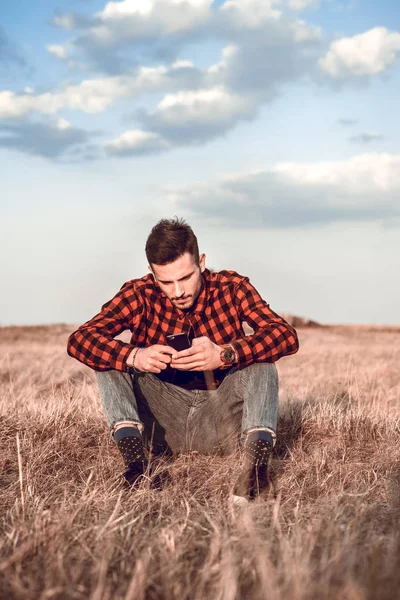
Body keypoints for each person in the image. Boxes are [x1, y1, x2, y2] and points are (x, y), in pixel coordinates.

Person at [67, 218, 299, 503]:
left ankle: (256, 472)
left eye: (185, 277)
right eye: (166, 282)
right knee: (110, 362)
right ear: (151, 275)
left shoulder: (232, 287)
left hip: (221, 419)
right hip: (161, 423)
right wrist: (134, 356)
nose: (178, 291)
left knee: (263, 366)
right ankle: (137, 467)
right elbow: (80, 339)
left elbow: (285, 335)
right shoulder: (138, 294)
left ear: (201, 262)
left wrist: (225, 353)